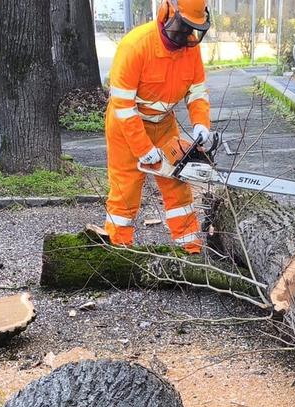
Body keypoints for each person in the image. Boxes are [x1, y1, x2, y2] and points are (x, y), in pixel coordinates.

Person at [103, 0, 215, 254]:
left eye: (192, 29)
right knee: (126, 189)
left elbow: (197, 91)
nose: (186, 35)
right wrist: (142, 148)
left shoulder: (190, 49)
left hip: (164, 124)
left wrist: (201, 123)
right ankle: (119, 249)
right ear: (167, 12)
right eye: (183, 27)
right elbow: (123, 105)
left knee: (178, 183)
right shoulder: (136, 46)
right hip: (127, 125)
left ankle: (189, 248)